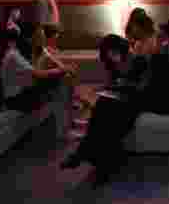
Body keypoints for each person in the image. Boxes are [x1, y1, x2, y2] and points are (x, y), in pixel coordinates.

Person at [60, 34, 140, 180]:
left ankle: (82, 155)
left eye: (111, 52)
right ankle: (97, 163)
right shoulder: (115, 62)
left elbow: (136, 87)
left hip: (133, 102)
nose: (109, 57)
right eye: (108, 54)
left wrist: (116, 84)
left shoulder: (133, 58)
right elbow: (113, 85)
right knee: (102, 110)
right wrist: (102, 89)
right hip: (120, 100)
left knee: (103, 108)